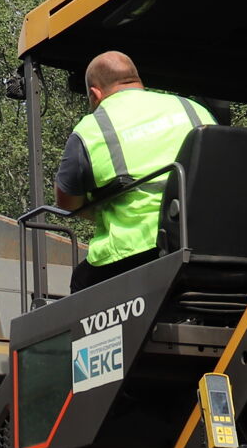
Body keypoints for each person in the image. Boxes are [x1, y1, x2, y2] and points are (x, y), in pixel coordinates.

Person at [54, 50, 213, 283]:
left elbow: (68, 203)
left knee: (81, 279)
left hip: (138, 253)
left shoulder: (90, 129)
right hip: (207, 238)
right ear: (137, 82)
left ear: (95, 93)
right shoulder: (194, 109)